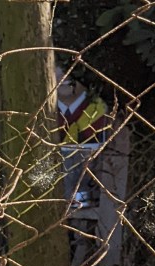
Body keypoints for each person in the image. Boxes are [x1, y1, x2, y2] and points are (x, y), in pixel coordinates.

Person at [55, 64, 112, 208]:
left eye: (71, 63)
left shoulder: (104, 112)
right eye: (56, 64)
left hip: (96, 197)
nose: (64, 73)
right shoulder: (38, 114)